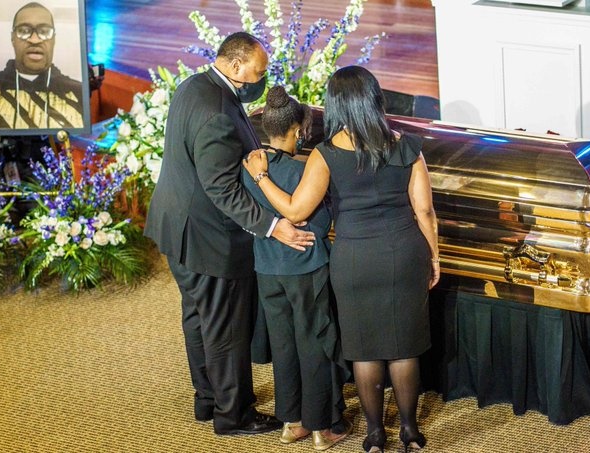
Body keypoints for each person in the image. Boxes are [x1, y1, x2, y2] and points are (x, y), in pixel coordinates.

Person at [243, 65, 440, 452]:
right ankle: (410, 432)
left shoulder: (326, 154)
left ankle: (373, 435)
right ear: (375, 99)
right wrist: (434, 255)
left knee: (365, 350)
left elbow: (296, 211)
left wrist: (262, 178)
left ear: (334, 105)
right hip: (404, 253)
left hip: (354, 260)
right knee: (404, 349)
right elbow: (425, 211)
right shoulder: (408, 147)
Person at [143, 32, 316, 436]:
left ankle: (207, 400)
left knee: (198, 317)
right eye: (258, 70)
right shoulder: (218, 111)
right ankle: (233, 414)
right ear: (235, 65)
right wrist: (274, 226)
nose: (262, 77)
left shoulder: (193, 86)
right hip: (207, 237)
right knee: (224, 326)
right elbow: (222, 189)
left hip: (176, 227)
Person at [241, 86, 352, 450]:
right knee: (315, 342)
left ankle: (292, 422)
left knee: (284, 344)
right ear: (299, 131)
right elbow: (319, 224)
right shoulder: (307, 170)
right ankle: (323, 427)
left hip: (266, 268)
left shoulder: (249, 166)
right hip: (306, 269)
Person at [0, 1, 83, 130]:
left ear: (54, 40)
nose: (34, 40)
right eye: (24, 31)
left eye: (44, 31)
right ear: (13, 38)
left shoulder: (80, 93)